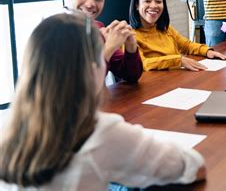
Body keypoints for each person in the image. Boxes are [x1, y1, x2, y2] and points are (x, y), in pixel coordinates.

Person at [0, 13, 206, 190]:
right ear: (93, 69)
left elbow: (134, 72)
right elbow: (193, 166)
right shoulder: (99, 131)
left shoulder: (6, 129)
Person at [65, 0, 142, 82]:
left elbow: (131, 75)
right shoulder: (52, 30)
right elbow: (77, 85)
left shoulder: (98, 27)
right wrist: (109, 47)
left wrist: (131, 45)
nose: (90, 4)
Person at [129, 0, 226, 71]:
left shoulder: (166, 28)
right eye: (147, 1)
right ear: (137, 5)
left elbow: (186, 45)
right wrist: (178, 60)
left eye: (158, 1)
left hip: (175, 79)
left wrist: (207, 51)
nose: (154, 5)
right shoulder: (129, 36)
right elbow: (142, 63)